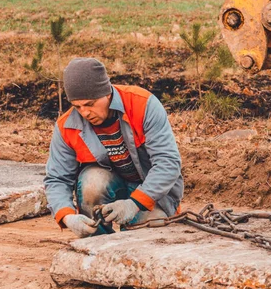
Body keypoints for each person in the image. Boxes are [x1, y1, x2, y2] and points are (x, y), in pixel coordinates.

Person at [44, 57, 183, 237]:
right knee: (92, 181)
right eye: (77, 106)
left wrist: (134, 204)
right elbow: (57, 179)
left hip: (149, 194)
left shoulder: (142, 105)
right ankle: (95, 243)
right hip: (109, 186)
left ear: (107, 93)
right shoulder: (67, 126)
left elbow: (168, 163)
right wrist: (67, 216)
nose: (84, 112)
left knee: (151, 232)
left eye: (90, 104)